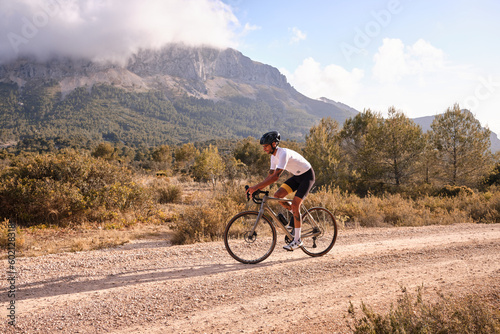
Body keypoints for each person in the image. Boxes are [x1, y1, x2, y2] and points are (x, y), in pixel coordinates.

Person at [246, 131, 315, 251]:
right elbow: (270, 176)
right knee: (278, 196)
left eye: (266, 146)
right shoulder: (273, 157)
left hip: (307, 176)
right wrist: (258, 189)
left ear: (273, 144)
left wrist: (256, 187)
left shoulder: (283, 154)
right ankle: (294, 219)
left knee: (295, 205)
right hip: (297, 177)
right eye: (263, 147)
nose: (264, 149)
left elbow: (275, 177)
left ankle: (297, 241)